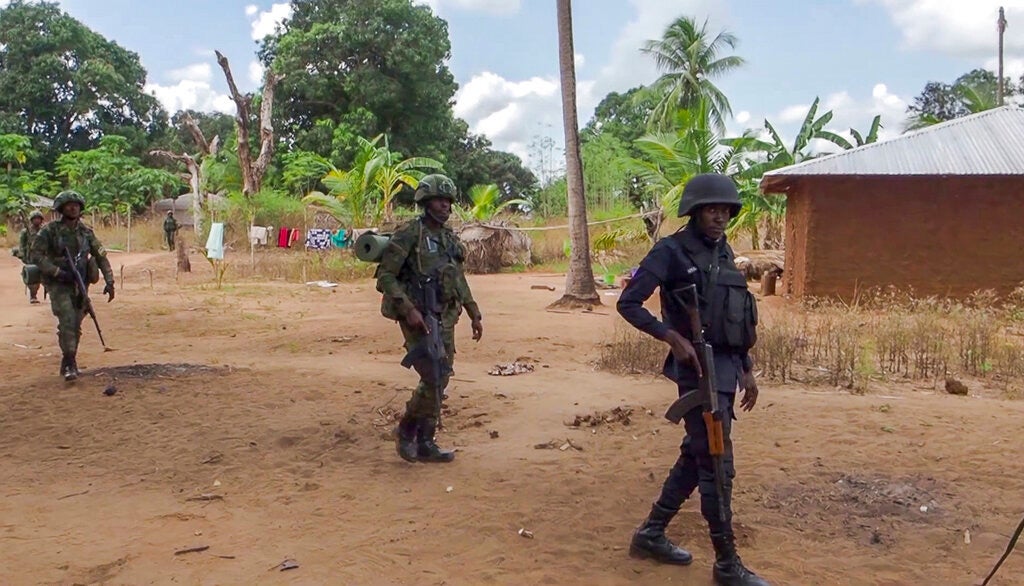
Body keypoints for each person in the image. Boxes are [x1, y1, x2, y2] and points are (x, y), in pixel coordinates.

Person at [616, 174, 769, 586]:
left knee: (698, 453)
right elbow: (628, 303)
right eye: (712, 209)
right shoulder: (670, 251)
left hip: (726, 368)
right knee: (718, 464)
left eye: (726, 210)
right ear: (695, 211)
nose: (720, 217)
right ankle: (726, 564)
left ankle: (651, 533)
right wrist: (669, 336)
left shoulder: (724, 252)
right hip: (696, 372)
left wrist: (748, 369)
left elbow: (732, 318)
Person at [375, 174, 483, 463]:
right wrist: (409, 310)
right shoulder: (410, 234)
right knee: (432, 376)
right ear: (425, 202)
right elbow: (385, 276)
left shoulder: (448, 239)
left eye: (448, 200)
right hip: (418, 315)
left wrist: (474, 312)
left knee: (443, 375)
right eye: (439, 199)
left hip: (445, 315)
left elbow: (457, 278)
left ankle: (426, 440)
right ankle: (407, 429)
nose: (445, 205)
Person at [30, 190, 115, 381]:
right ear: (61, 208)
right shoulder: (49, 231)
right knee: (67, 320)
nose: (73, 207)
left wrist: (110, 281)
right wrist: (57, 272)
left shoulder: (86, 232)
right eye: (69, 204)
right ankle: (70, 363)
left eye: (76, 205)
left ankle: (69, 358)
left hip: (80, 284)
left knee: (75, 323)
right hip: (58, 284)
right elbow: (36, 255)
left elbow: (101, 256)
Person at [16, 210, 45, 304]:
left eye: (39, 219)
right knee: (33, 277)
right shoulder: (25, 232)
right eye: (35, 219)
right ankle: (33, 296)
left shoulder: (44, 231)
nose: (37, 220)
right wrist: (23, 255)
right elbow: (21, 245)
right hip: (31, 258)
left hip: (44, 257)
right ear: (31, 220)